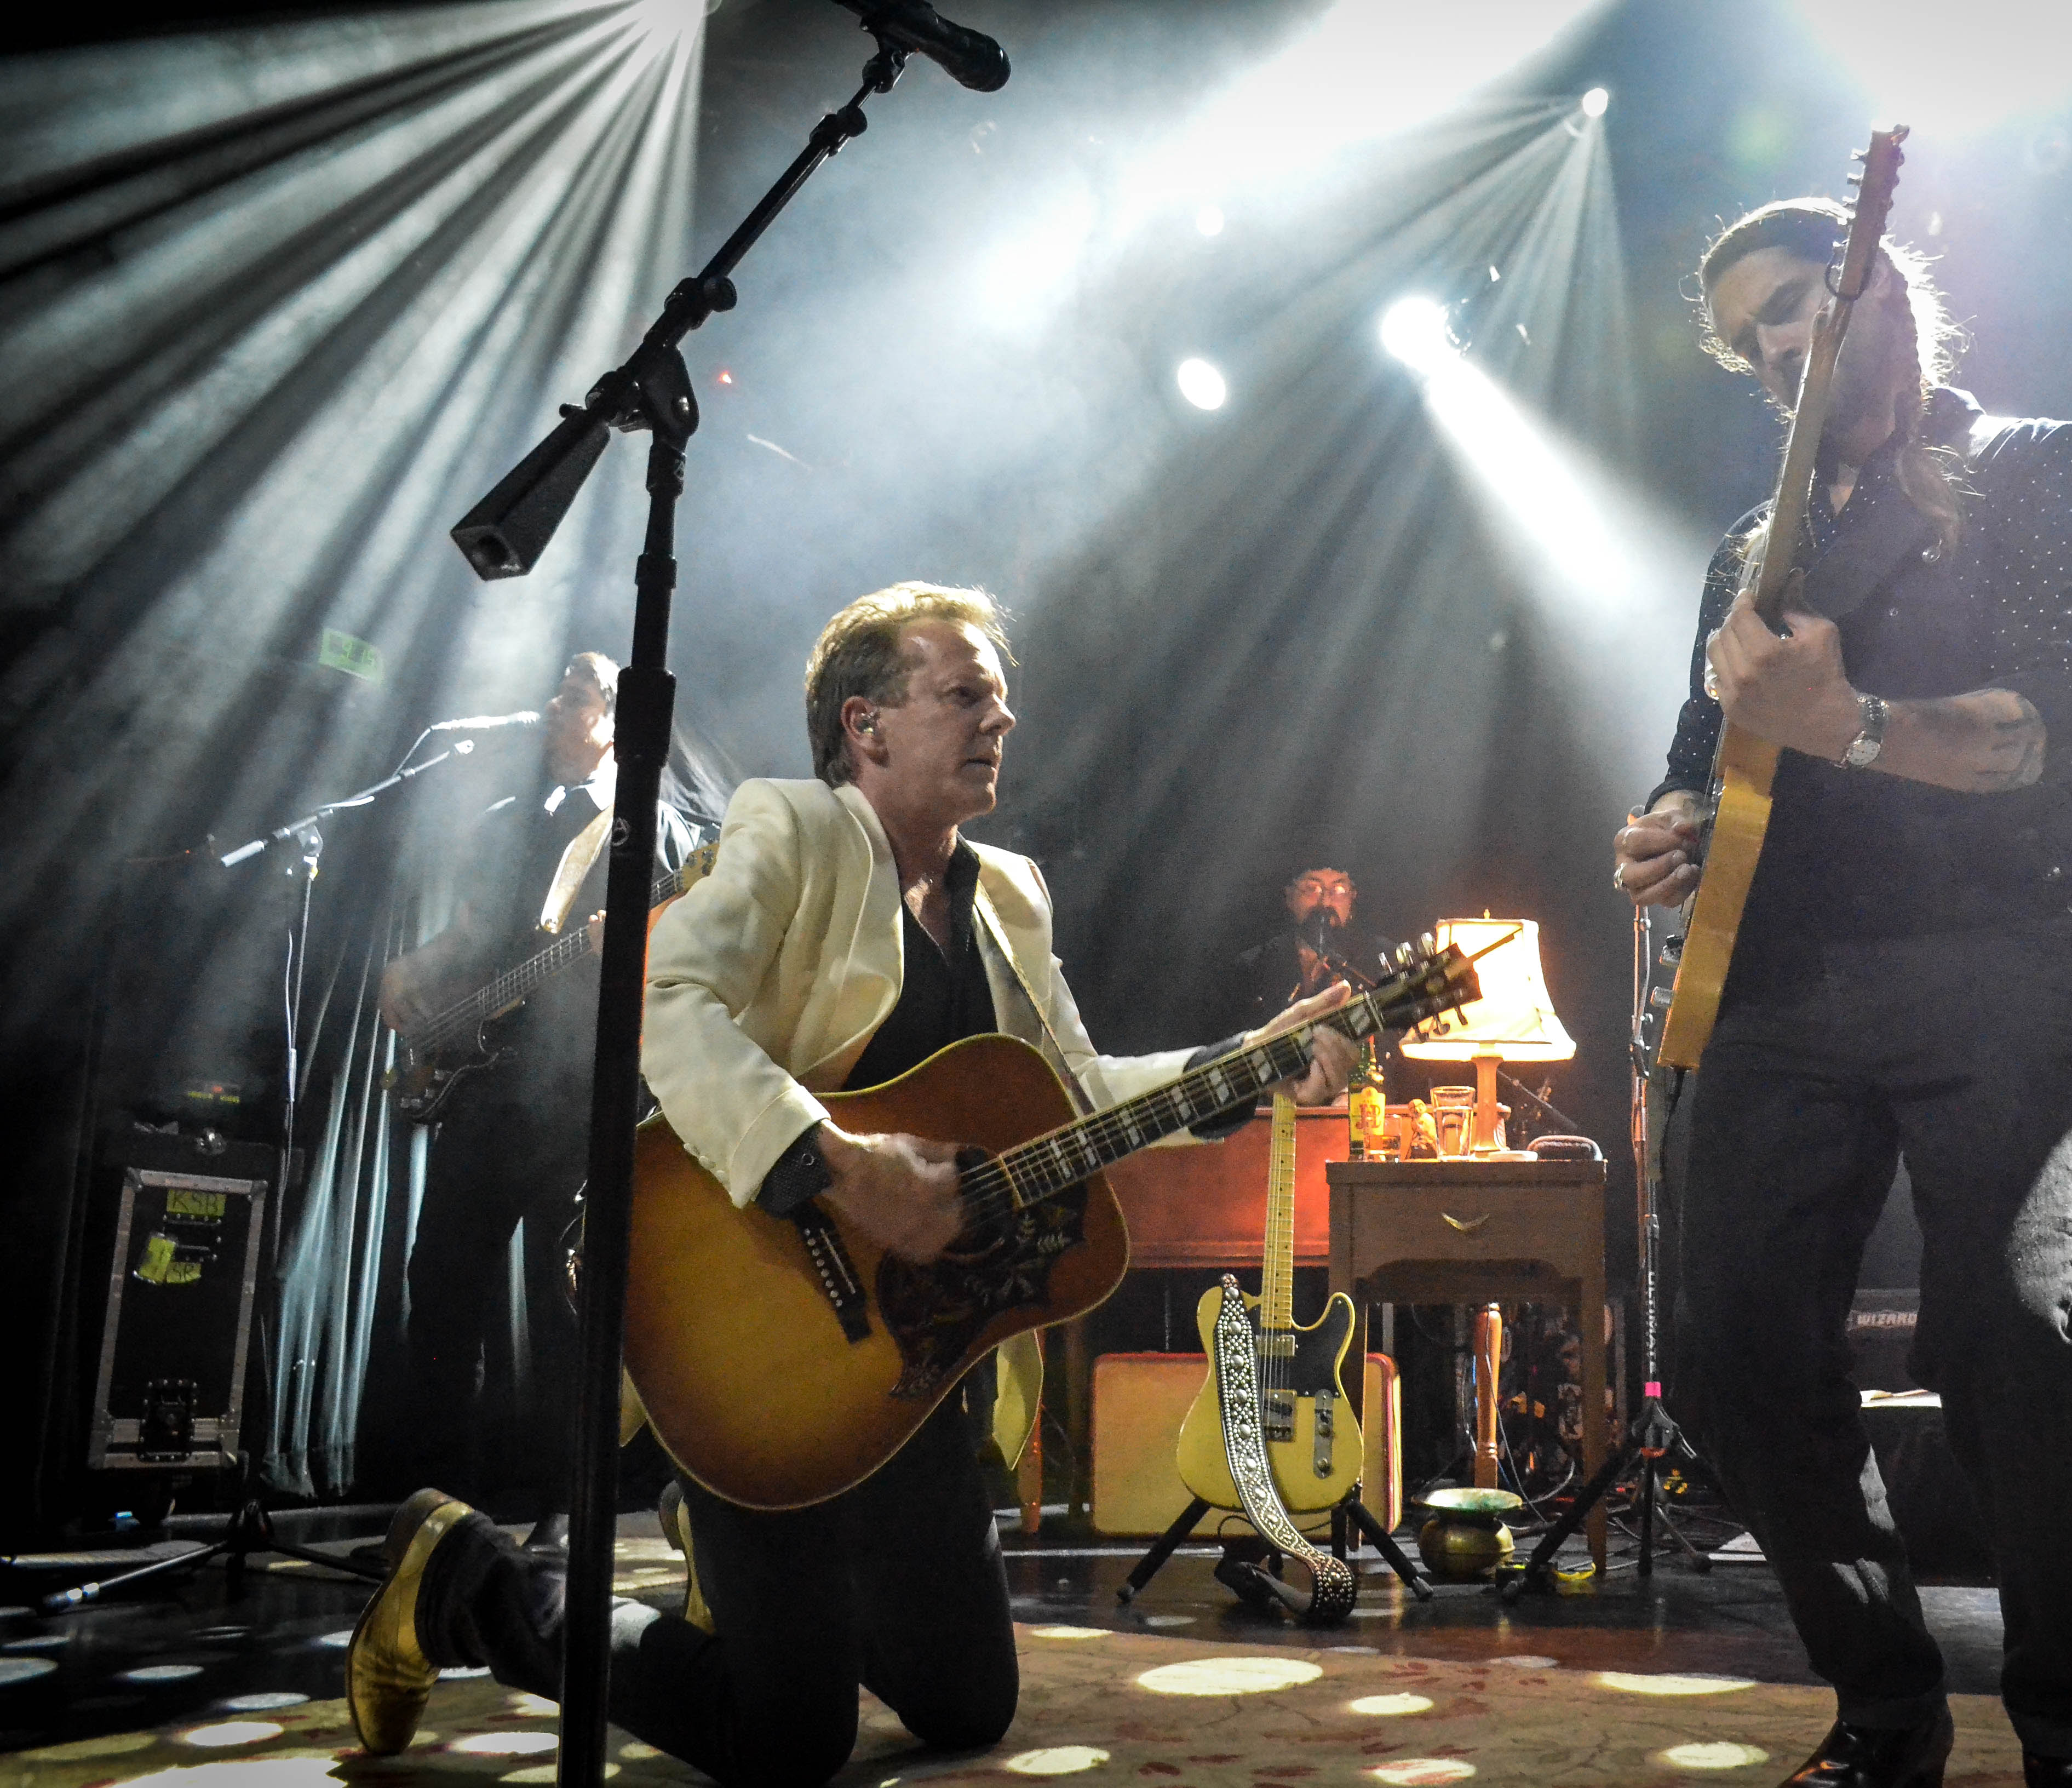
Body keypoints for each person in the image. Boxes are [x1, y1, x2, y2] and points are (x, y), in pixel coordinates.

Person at [347, 583, 1355, 1785]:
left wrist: (1251, 1064)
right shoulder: (791, 830)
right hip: (752, 1321)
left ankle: (766, 1585)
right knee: (789, 1741)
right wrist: (833, 1162)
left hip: (905, 1366)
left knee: (966, 1706)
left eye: (1004, 696)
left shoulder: (1011, 895)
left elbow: (1074, 1090)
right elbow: (663, 1002)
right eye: (967, 692)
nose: (1003, 718)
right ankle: (466, 1579)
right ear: (865, 723)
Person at [1611, 199, 2072, 1788]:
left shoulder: (2043, 470)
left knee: (2018, 1348)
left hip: (1995, 963)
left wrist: (1846, 722)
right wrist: (1667, 833)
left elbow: (2046, 733)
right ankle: (1885, 1705)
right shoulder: (1748, 550)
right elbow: (1703, 759)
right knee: (1728, 1355)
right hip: (1780, 985)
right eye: (1753, 328)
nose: (1787, 338)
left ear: (1880, 285)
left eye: (1806, 299)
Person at [375, 651, 698, 1543]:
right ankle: (435, 1513)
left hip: (583, 1095)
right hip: (486, 1091)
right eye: (555, 690)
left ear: (615, 719)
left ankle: (565, 1511)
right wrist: (419, 962)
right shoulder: (510, 817)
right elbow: (478, 928)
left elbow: (691, 952)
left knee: (567, 1308)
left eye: (576, 693)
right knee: (439, 1283)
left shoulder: (652, 826)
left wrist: (633, 942)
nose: (555, 705)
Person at [1232, 865, 1396, 1025]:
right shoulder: (1252, 966)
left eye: (1338, 890)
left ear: (1352, 898)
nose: (1325, 902)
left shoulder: (1381, 956)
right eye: (1312, 889)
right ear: (1290, 897)